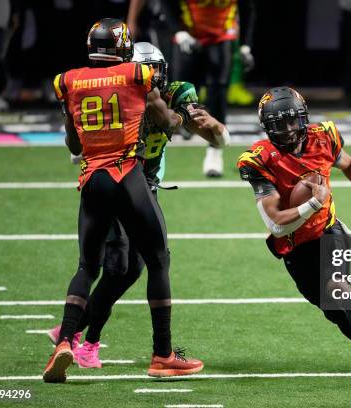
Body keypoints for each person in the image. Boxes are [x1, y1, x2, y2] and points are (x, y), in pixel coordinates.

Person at [47, 41, 230, 369]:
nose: (152, 76)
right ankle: (90, 342)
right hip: (129, 179)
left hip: (120, 181)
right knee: (128, 265)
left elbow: (204, 129)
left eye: (156, 70)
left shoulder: (162, 90)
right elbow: (169, 123)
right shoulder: (130, 84)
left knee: (122, 268)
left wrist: (215, 132)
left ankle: (68, 334)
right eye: (147, 70)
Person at [236, 87, 351, 389]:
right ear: (267, 127)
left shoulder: (323, 136)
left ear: (303, 117)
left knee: (337, 286)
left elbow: (348, 164)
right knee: (336, 313)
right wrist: (312, 202)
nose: (287, 130)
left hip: (329, 230)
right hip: (294, 246)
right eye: (279, 124)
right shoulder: (259, 159)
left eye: (292, 121)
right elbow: (276, 225)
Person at [167, 0, 255, 177]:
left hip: (221, 37)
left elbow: (248, 8)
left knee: (218, 91)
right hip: (190, 35)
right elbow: (165, 4)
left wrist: (245, 45)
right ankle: (184, 125)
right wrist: (178, 30)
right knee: (182, 91)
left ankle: (214, 152)